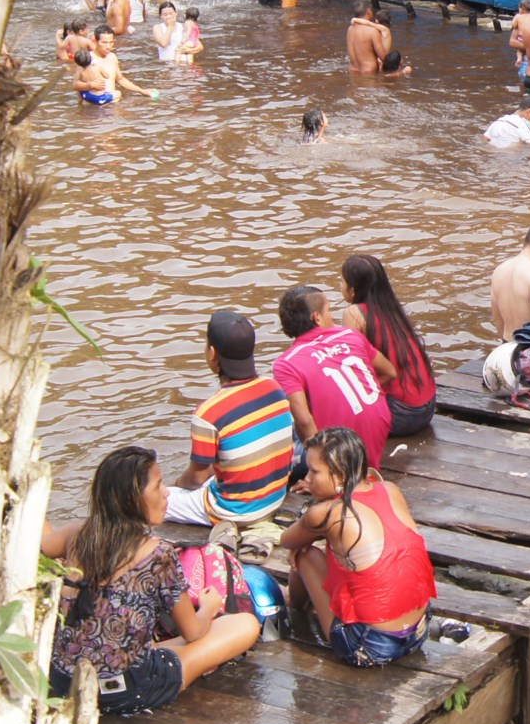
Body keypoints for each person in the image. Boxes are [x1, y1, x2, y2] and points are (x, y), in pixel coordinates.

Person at [40, 447, 261, 715]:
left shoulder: (76, 535)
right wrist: (208, 607)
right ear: (133, 499)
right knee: (245, 625)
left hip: (63, 682)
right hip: (124, 690)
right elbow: (193, 632)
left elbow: (40, 542)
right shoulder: (158, 555)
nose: (166, 492)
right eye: (158, 486)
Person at [279, 428, 436, 667]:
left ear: (340, 476)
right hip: (418, 630)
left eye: (314, 472)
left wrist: (309, 531)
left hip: (370, 645)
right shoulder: (390, 490)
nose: (307, 479)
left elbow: (287, 540)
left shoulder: (327, 513)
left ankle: (295, 607)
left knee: (304, 553)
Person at [165, 311, 295, 527]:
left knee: (152, 499)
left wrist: (176, 486)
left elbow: (195, 479)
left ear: (212, 353)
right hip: (275, 497)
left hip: (233, 512)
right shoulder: (274, 389)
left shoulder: (207, 413)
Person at [270, 283, 396, 467]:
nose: (333, 317)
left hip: (338, 453)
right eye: (329, 311)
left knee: (276, 455)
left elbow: (305, 421)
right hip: (376, 433)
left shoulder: (286, 363)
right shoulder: (350, 335)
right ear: (317, 318)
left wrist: (319, 469)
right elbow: (389, 372)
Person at [337, 254, 437, 437]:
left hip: (402, 414)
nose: (340, 286)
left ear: (352, 289)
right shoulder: (392, 308)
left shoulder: (353, 313)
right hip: (428, 407)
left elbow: (353, 370)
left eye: (342, 281)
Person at [347, 0, 393, 74]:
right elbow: (383, 57)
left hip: (353, 71)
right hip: (369, 72)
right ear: (368, 11)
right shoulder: (372, 31)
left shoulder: (350, 29)